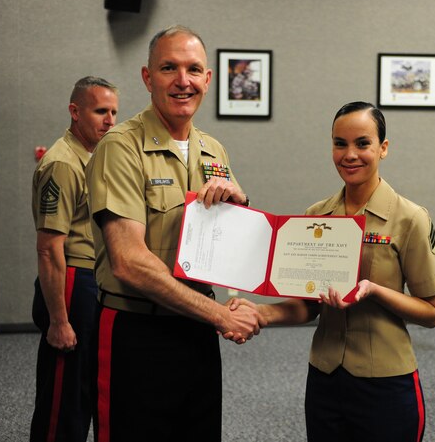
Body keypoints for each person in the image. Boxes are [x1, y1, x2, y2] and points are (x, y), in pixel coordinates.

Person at [228, 101, 435, 442]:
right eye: (340, 143)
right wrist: (262, 313)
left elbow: (432, 312)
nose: (350, 155)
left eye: (363, 143)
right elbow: (309, 304)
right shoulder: (316, 216)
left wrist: (373, 290)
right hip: (325, 376)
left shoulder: (410, 218)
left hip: (385, 380)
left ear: (383, 148)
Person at [85, 25, 265, 441]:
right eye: (169, 68)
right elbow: (129, 262)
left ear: (208, 79)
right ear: (148, 78)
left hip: (197, 330)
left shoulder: (213, 150)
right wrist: (222, 315)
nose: (182, 81)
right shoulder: (121, 147)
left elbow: (229, 244)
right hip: (137, 331)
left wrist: (241, 206)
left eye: (193, 69)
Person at [30, 76, 119, 442]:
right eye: (101, 111)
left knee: (87, 390)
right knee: (64, 400)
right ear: (75, 111)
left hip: (93, 282)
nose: (110, 120)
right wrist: (58, 321)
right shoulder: (62, 164)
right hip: (71, 283)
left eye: (114, 111)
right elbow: (49, 248)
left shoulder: (93, 155)